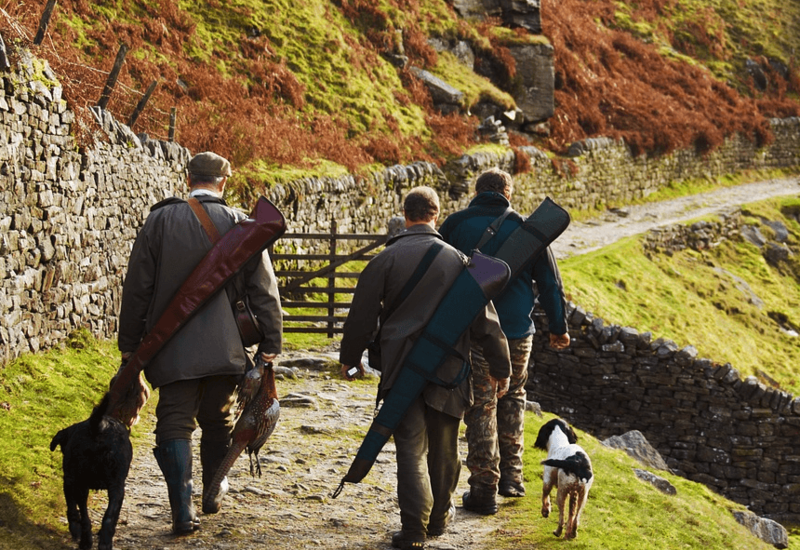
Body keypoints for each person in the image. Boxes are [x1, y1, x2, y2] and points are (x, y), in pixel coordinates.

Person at [117, 151, 283, 534]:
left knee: (173, 422)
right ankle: (213, 488)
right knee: (218, 419)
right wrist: (270, 344)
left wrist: (131, 347)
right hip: (227, 349)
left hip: (170, 348)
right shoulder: (242, 224)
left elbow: (137, 288)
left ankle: (182, 510)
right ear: (225, 181)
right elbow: (264, 291)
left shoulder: (159, 220)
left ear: (187, 176)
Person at [339, 186, 511, 550]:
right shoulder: (461, 261)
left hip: (401, 369)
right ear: (436, 214)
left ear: (406, 215)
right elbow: (487, 323)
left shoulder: (384, 260)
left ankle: (413, 530)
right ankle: (438, 519)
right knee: (445, 448)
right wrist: (502, 367)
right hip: (449, 371)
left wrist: (350, 359)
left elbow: (361, 318)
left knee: (410, 448)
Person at [438, 167, 570, 515]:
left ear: (477, 191)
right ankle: (512, 478)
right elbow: (551, 284)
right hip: (516, 332)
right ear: (507, 193)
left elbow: (437, 272)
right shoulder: (528, 230)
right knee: (513, 398)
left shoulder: (454, 225)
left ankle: (484, 487)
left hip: (474, 329)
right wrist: (559, 328)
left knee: (482, 403)